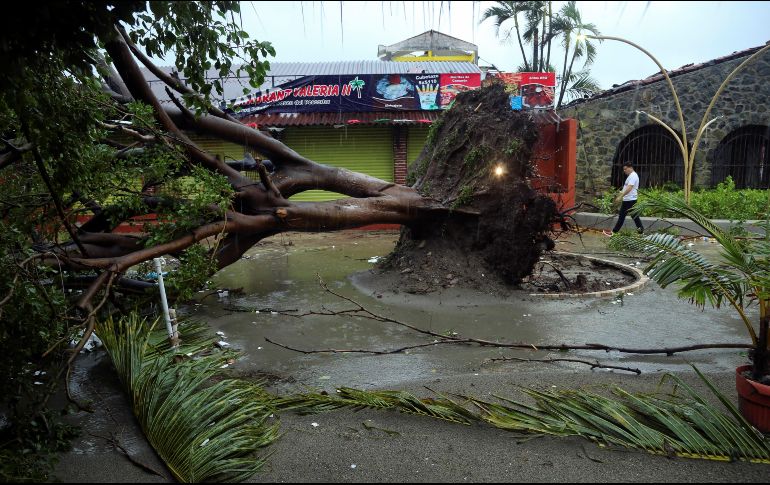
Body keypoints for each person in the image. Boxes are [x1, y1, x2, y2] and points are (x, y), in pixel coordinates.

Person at [603, 161, 644, 236]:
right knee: (630, 217)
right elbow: (625, 188)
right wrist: (618, 194)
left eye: (625, 169)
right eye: (624, 169)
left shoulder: (633, 176)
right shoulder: (631, 176)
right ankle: (640, 232)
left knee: (628, 217)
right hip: (628, 200)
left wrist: (620, 196)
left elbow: (629, 188)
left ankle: (614, 232)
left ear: (630, 167)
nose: (624, 171)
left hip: (630, 200)